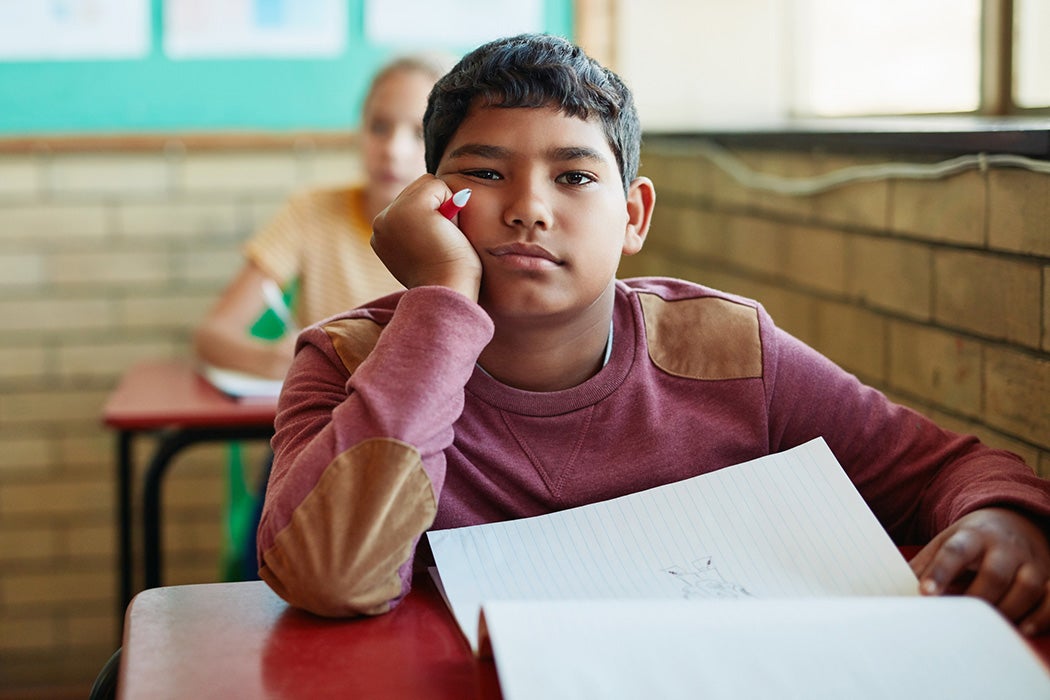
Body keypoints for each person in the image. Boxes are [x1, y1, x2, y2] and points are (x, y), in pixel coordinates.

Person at [256, 34, 1050, 635]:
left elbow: (947, 470)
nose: (530, 207)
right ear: (428, 202)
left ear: (633, 215)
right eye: (485, 173)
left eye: (574, 176)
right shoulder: (348, 362)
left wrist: (1003, 517)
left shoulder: (727, 351)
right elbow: (329, 575)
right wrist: (438, 302)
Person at [193, 53, 452, 379]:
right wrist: (271, 359)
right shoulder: (310, 212)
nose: (393, 150)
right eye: (379, 127)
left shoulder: (464, 231)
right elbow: (212, 335)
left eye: (418, 132)